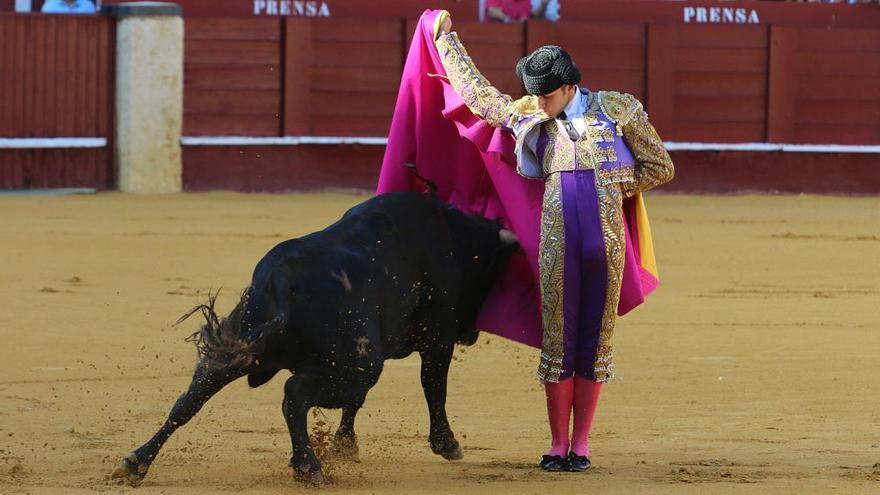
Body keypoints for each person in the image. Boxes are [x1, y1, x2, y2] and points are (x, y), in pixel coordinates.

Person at [433, 12, 674, 472]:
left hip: (605, 247)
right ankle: (555, 442)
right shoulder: (529, 115)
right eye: (535, 95)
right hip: (557, 246)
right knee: (558, 343)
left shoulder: (619, 109)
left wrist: (612, 185)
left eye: (546, 95)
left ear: (568, 87)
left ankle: (580, 445)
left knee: (595, 343)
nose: (539, 103)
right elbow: (481, 98)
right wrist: (446, 43)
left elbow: (660, 166)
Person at [485, 0, 560, 22]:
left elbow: (524, 20)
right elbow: (492, 12)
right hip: (497, 32)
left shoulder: (526, 1)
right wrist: (508, 19)